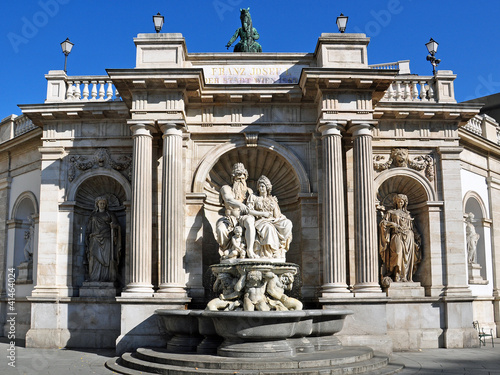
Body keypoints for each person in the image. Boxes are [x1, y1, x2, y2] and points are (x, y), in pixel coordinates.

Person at [216, 163, 261, 258]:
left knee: (250, 220)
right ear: (233, 179)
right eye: (238, 178)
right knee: (221, 229)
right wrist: (240, 204)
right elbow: (228, 199)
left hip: (243, 217)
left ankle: (250, 250)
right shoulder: (226, 188)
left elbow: (254, 205)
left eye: (242, 178)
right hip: (229, 218)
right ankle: (226, 250)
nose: (241, 180)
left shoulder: (249, 191)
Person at [247, 175, 293, 259]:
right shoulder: (253, 197)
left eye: (263, 186)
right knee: (268, 228)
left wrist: (279, 214)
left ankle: (281, 249)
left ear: (267, 187)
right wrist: (262, 214)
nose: (260, 188)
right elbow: (248, 211)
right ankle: (270, 253)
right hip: (260, 220)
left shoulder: (272, 199)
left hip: (272, 220)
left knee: (288, 223)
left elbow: (277, 215)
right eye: (259, 186)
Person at [379, 194, 421, 282]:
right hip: (397, 234)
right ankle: (396, 275)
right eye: (398, 201)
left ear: (405, 202)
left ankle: (405, 277)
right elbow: (383, 223)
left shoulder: (408, 214)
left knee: (408, 257)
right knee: (398, 254)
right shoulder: (391, 212)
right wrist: (392, 224)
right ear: (395, 202)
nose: (400, 203)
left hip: (409, 236)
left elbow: (413, 227)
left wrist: (418, 237)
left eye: (402, 201)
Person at [85, 196, 121, 282]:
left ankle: (107, 277)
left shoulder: (110, 214)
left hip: (106, 238)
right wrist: (88, 236)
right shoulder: (93, 215)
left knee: (107, 258)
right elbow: (88, 229)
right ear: (97, 204)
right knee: (93, 258)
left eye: (104, 203)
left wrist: (114, 226)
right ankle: (94, 277)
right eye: (100, 203)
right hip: (94, 239)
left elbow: (117, 225)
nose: (102, 205)